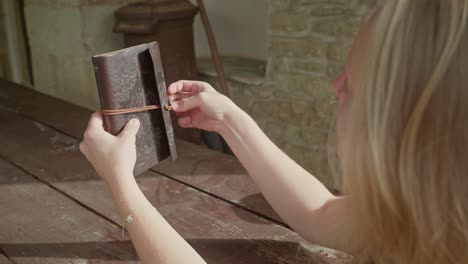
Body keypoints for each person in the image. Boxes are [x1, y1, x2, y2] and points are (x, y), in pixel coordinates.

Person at [79, 1, 468, 263]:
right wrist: (231, 121)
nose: (334, 87)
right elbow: (321, 212)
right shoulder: (428, 215)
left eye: (350, 89)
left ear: (408, 133)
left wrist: (121, 186)